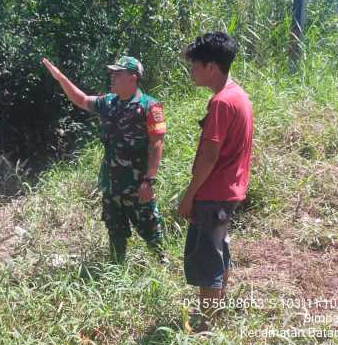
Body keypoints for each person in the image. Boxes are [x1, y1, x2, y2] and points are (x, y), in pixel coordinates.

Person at [41, 56, 168, 263]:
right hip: (111, 183)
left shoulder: (150, 107)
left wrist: (149, 181)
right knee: (115, 231)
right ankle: (117, 270)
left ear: (133, 78)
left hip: (137, 185)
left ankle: (161, 266)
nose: (113, 77)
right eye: (112, 73)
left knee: (150, 229)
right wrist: (60, 77)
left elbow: (156, 145)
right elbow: (81, 99)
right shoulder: (108, 102)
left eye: (118, 73)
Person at [177, 32, 253, 323]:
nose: (191, 71)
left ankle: (206, 326)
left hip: (212, 193)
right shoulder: (239, 95)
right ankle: (216, 315)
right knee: (219, 252)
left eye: (194, 65)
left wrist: (188, 196)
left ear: (211, 67)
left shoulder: (222, 103)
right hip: (227, 191)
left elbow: (209, 158)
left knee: (207, 261)